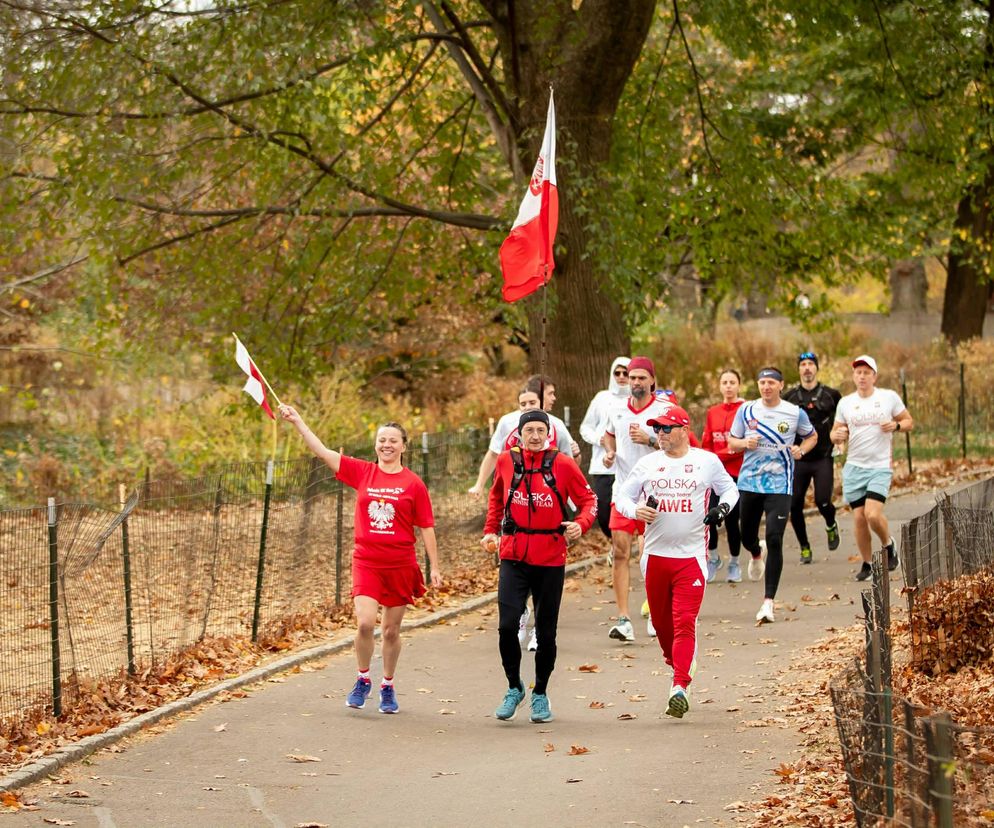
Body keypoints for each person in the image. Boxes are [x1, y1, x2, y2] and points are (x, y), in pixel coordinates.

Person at [279, 405, 440, 714]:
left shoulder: (413, 484)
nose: (387, 445)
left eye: (393, 440)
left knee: (391, 631)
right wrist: (298, 421)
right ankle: (363, 678)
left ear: (404, 446)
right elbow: (324, 452)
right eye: (382, 440)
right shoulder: (364, 472)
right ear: (376, 444)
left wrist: (435, 566)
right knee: (365, 623)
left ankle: (387, 686)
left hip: (400, 564)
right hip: (367, 560)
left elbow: (427, 527)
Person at [615, 405, 739, 718]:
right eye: (657, 429)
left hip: (691, 558)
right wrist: (635, 512)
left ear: (684, 429)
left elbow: (731, 490)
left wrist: (721, 510)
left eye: (666, 428)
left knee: (684, 621)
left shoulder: (705, 462)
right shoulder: (648, 464)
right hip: (656, 557)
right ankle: (679, 663)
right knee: (661, 625)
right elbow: (622, 497)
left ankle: (679, 686)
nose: (661, 434)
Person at [482, 409, 597, 723]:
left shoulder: (563, 464)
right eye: (528, 430)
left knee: (546, 634)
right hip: (513, 554)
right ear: (519, 434)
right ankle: (514, 687)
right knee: (507, 626)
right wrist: (490, 531)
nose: (534, 436)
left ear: (549, 433)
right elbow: (495, 499)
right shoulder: (507, 461)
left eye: (540, 430)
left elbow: (590, 500)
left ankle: (540, 693)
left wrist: (581, 524)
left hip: (549, 557)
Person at [727, 367, 818, 624]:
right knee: (747, 535)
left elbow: (812, 436)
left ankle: (768, 603)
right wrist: (745, 444)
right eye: (762, 382)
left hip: (780, 484)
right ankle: (756, 553)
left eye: (771, 383)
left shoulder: (793, 412)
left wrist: (801, 449)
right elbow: (732, 442)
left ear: (781, 385)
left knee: (775, 537)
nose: (766, 387)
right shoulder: (746, 410)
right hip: (750, 483)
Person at [602, 356, 677, 642]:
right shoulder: (617, 408)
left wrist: (649, 438)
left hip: (657, 493)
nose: (635, 382)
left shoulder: (664, 409)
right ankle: (623, 619)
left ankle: (657, 614)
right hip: (624, 492)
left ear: (652, 381)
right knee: (620, 553)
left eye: (641, 378)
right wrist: (609, 452)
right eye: (632, 378)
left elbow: (681, 444)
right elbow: (608, 436)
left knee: (652, 557)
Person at [830, 355, 913, 581]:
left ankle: (888, 545)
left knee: (872, 514)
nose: (862, 376)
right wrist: (836, 435)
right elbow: (835, 431)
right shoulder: (845, 402)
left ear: (874, 376)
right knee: (859, 518)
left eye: (867, 372)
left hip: (879, 467)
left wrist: (895, 426)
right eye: (858, 372)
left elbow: (908, 421)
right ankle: (867, 564)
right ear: (854, 376)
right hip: (854, 467)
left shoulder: (888, 398)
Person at [468, 375, 578, 497]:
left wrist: (576, 454)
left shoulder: (557, 426)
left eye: (532, 402)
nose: (528, 407)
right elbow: (494, 454)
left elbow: (571, 463)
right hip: (515, 491)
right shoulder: (507, 422)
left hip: (547, 493)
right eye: (523, 404)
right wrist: (479, 485)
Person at [784, 351, 842, 564]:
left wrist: (841, 438)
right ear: (798, 369)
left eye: (810, 364)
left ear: (816, 368)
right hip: (798, 458)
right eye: (803, 364)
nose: (807, 368)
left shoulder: (832, 395)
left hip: (823, 456)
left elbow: (843, 420)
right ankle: (805, 547)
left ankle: (830, 524)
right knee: (794, 505)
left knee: (823, 501)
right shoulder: (789, 398)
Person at [701, 369, 745, 582]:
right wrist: (714, 459)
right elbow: (707, 444)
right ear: (719, 386)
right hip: (714, 474)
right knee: (709, 517)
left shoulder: (745, 410)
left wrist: (724, 454)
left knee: (731, 521)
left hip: (737, 474)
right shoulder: (713, 412)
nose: (728, 386)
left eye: (732, 382)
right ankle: (714, 558)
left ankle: (735, 563)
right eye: (724, 382)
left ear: (739, 385)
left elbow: (742, 447)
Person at [579, 357, 631, 538]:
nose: (622, 377)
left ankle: (622, 545)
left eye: (626, 373)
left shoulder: (636, 399)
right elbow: (585, 427)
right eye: (617, 373)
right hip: (603, 466)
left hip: (628, 466)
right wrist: (599, 439)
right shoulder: (602, 398)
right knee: (603, 512)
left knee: (626, 510)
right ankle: (613, 542)